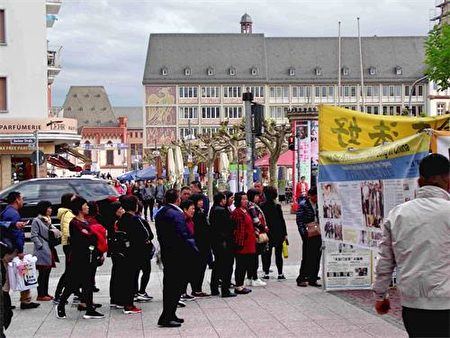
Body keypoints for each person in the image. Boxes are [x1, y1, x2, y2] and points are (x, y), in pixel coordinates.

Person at [373, 154, 450, 338]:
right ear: (448, 179)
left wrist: (380, 295)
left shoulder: (398, 214)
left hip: (412, 305)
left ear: (419, 181)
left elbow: (385, 260)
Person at [155, 189, 199, 327]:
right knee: (173, 287)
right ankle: (168, 316)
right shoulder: (176, 214)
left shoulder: (161, 212)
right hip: (177, 255)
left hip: (168, 253)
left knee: (170, 286)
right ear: (178, 199)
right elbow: (183, 235)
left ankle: (169, 314)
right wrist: (194, 250)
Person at [56, 196, 104, 319]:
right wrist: (91, 239)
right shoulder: (75, 223)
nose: (87, 207)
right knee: (73, 284)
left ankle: (89, 309)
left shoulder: (85, 222)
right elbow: (85, 239)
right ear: (79, 208)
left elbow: (91, 238)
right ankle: (61, 305)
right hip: (79, 258)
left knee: (88, 284)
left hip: (89, 256)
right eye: (85, 205)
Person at [0, 191, 40, 310]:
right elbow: (17, 234)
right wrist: (20, 250)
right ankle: (8, 304)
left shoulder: (7, 211)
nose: (23, 201)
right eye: (22, 198)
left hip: (9, 248)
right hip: (12, 250)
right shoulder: (13, 214)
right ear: (17, 199)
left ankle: (25, 299)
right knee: (15, 275)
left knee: (21, 272)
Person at [115, 195, 146, 314]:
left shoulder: (122, 219)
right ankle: (129, 304)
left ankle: (124, 301)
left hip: (124, 251)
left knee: (125, 277)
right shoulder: (135, 219)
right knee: (131, 278)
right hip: (134, 252)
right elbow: (145, 235)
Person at [30, 201, 60, 301]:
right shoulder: (36, 220)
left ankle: (45, 293)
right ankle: (40, 295)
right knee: (42, 273)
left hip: (49, 248)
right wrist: (40, 246)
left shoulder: (47, 220)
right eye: (49, 208)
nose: (51, 210)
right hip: (42, 250)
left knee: (47, 272)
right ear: (44, 208)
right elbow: (33, 235)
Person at [209, 192, 236, 297]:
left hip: (216, 242)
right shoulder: (222, 211)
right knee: (227, 266)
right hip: (224, 242)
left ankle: (214, 288)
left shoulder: (213, 209)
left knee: (218, 265)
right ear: (222, 200)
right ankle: (225, 289)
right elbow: (229, 225)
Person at [296, 187, 322, 287]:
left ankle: (313, 278)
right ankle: (301, 278)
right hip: (308, 234)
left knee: (317, 257)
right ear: (310, 195)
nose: (316, 198)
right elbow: (300, 221)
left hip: (318, 233)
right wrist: (304, 234)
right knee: (307, 257)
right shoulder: (303, 205)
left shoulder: (320, 204)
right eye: (315, 196)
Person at [54, 193, 77, 304]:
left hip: (68, 245)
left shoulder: (69, 213)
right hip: (70, 245)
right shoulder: (68, 214)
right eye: (74, 199)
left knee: (73, 270)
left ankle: (77, 292)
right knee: (69, 271)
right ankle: (58, 294)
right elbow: (69, 232)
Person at [261, 186, 288, 280]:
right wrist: (285, 233)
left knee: (267, 254)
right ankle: (280, 273)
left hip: (267, 232)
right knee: (278, 254)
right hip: (278, 233)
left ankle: (266, 273)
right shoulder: (277, 206)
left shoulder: (262, 206)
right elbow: (282, 220)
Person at [231, 192, 255, 295]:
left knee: (245, 264)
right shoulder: (237, 212)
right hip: (242, 243)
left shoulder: (246, 211)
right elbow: (239, 229)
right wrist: (239, 243)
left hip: (249, 241)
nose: (245, 201)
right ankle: (238, 286)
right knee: (240, 265)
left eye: (246, 199)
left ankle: (241, 284)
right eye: (243, 199)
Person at [246, 188, 268, 287]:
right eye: (256, 196)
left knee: (251, 257)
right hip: (255, 234)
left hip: (253, 234)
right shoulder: (251, 206)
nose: (258, 198)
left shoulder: (250, 205)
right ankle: (254, 277)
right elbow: (256, 220)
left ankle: (250, 277)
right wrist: (264, 228)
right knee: (254, 257)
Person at [190, 193, 211, 297]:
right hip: (199, 244)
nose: (201, 202)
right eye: (199, 200)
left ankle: (198, 288)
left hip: (204, 243)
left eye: (201, 200)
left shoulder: (201, 212)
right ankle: (196, 289)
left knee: (202, 267)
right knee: (198, 267)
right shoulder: (196, 215)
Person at [133, 201, 154, 302]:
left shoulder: (126, 220)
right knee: (146, 271)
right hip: (143, 251)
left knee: (136, 271)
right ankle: (141, 291)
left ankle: (135, 291)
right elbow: (150, 235)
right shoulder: (141, 221)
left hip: (134, 251)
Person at [108, 201, 125, 308]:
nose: (122, 210)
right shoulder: (116, 222)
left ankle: (115, 298)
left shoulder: (116, 221)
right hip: (118, 251)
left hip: (116, 251)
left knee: (116, 273)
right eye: (120, 209)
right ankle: (117, 298)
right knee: (118, 274)